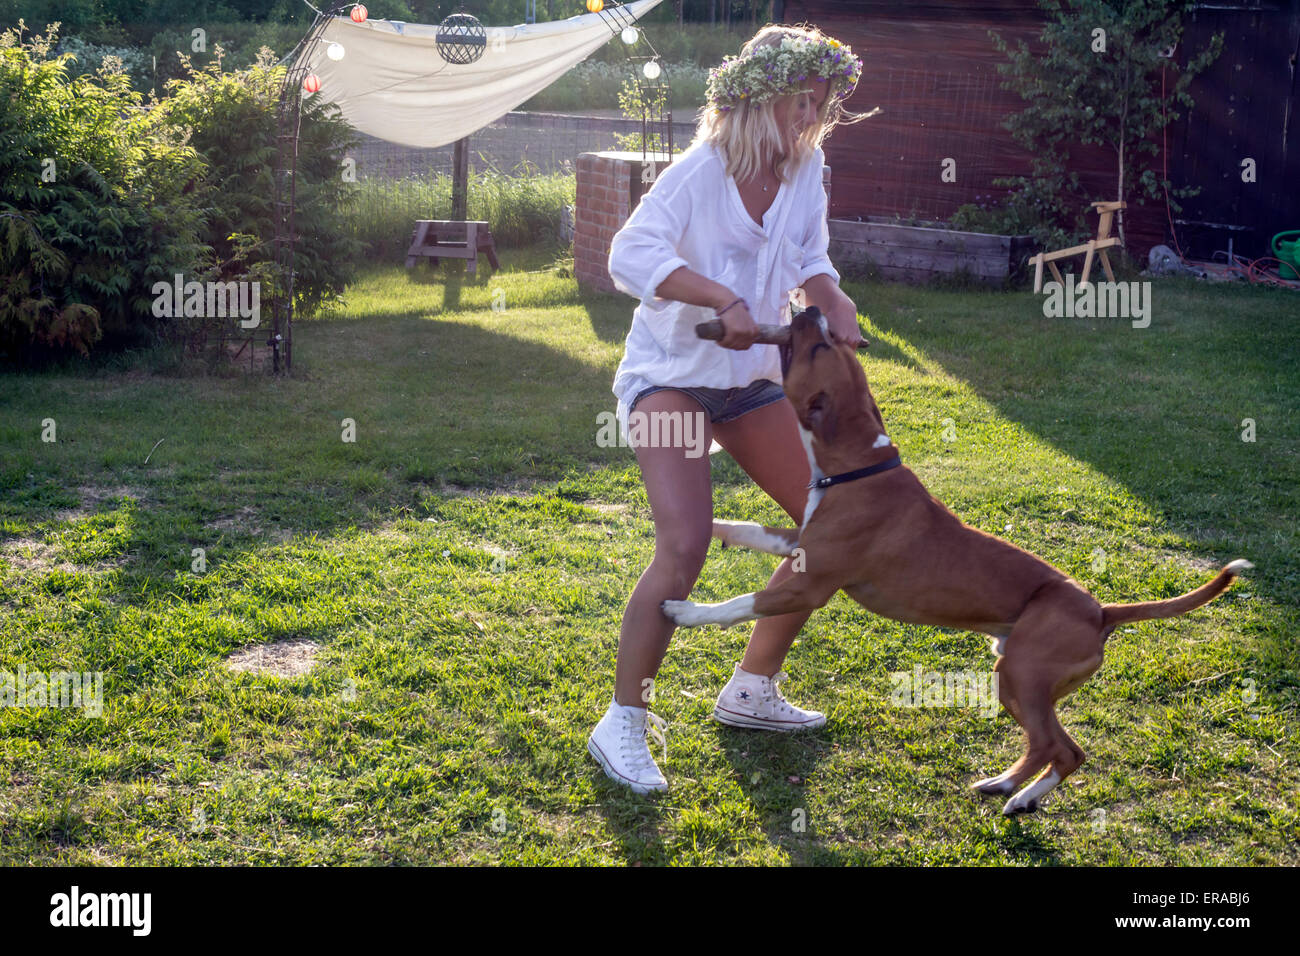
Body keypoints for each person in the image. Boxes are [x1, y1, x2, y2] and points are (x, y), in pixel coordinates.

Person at [588, 23, 870, 793]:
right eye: (800, 103)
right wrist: (720, 296)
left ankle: (752, 688)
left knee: (822, 527)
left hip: (749, 380)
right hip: (671, 377)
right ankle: (623, 721)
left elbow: (810, 257)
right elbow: (628, 255)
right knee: (683, 548)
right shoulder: (698, 173)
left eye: (822, 105)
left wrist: (830, 293)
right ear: (757, 99)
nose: (812, 118)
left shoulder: (807, 169)